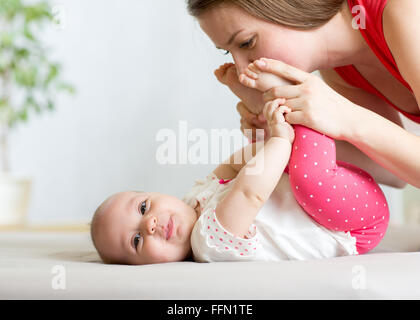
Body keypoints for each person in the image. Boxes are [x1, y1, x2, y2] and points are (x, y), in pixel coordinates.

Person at [90, 64, 389, 265]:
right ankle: (294, 99)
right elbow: (250, 194)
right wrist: (281, 141)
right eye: (137, 240)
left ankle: (277, 105)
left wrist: (269, 143)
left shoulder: (194, 199)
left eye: (143, 208)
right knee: (302, 177)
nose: (150, 223)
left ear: (152, 193)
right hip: (350, 225)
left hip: (335, 191)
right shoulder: (208, 243)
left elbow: (233, 166)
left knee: (262, 157)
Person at [187, 0, 420, 189]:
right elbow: (395, 173)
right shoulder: (338, 71)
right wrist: (289, 132)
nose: (241, 70)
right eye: (229, 52)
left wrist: (346, 116)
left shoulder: (404, 11)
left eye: (247, 42)